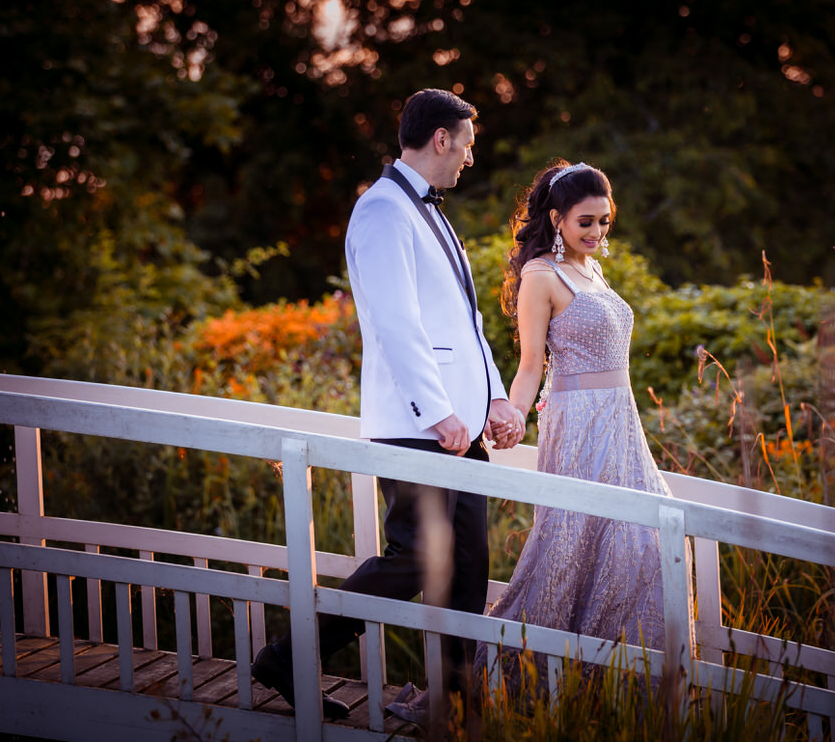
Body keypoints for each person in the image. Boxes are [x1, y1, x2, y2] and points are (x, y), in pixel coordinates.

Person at [253, 89, 526, 719]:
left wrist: (492, 396)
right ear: (440, 139)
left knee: (467, 567)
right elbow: (396, 325)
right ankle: (289, 656)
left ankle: (455, 699)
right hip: (418, 426)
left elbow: (466, 320)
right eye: (467, 145)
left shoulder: (431, 212)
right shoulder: (380, 211)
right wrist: (439, 414)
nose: (469, 158)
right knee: (415, 561)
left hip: (460, 428)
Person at [387, 160, 674, 723]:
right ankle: (479, 693)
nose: (597, 233)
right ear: (557, 218)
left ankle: (604, 698)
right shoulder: (542, 276)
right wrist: (512, 415)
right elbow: (529, 367)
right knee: (564, 554)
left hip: (622, 425)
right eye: (586, 222)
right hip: (578, 427)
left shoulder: (595, 272)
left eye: (605, 222)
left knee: (638, 545)